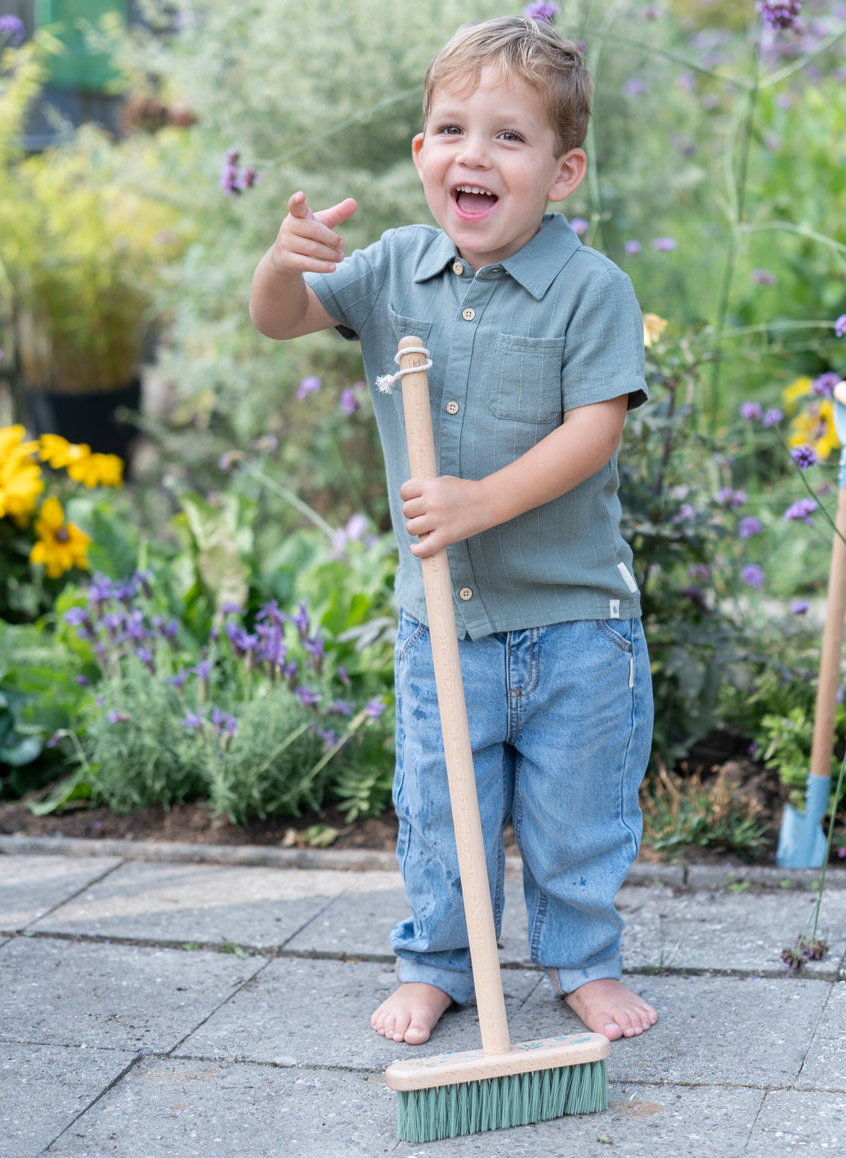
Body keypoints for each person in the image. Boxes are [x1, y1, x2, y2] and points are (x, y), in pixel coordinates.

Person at [250, 14, 656, 1047]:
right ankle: (438, 962)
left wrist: (481, 501)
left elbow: (594, 432)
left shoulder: (591, 289)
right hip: (445, 624)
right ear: (422, 153)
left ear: (562, 173)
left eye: (508, 137)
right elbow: (282, 317)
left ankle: (579, 960)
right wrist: (280, 261)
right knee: (443, 811)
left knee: (578, 815)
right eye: (451, 129)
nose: (473, 153)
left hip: (576, 622)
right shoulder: (392, 271)